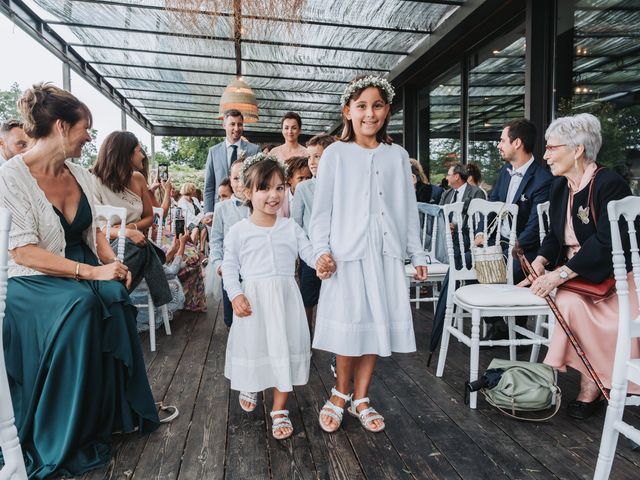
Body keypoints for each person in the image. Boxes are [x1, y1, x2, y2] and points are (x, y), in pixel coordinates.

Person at [0, 83, 160, 478]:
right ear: (60, 126)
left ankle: (117, 415)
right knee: (83, 306)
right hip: (32, 280)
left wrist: (112, 265)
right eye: (85, 128)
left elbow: (95, 234)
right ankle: (65, 433)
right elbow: (22, 252)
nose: (90, 137)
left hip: (83, 269)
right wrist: (92, 271)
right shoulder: (10, 177)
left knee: (116, 297)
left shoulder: (79, 175)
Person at [310, 75, 427, 434]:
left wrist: (417, 253)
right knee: (350, 327)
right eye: (361, 106)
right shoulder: (335, 154)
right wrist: (321, 251)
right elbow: (322, 211)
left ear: (387, 110)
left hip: (385, 253)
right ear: (348, 111)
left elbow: (407, 210)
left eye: (377, 105)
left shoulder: (397, 156)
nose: (369, 113)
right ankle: (339, 393)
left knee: (375, 327)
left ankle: (362, 396)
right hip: (347, 254)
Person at [520, 113, 639, 419]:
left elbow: (607, 242)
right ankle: (597, 381)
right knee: (567, 299)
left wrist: (559, 274)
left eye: (551, 147)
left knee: (567, 301)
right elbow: (555, 238)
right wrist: (539, 262)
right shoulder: (561, 187)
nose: (545, 154)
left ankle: (593, 384)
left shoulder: (609, 183)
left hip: (616, 278)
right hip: (578, 276)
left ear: (577, 150)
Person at [222, 154, 328, 440]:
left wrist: (320, 260)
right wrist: (235, 294)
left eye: (280, 187)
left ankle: (280, 408)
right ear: (247, 192)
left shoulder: (290, 228)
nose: (273, 195)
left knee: (284, 348)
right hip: (254, 299)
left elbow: (307, 251)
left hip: (285, 300)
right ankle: (252, 383)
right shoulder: (239, 232)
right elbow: (230, 268)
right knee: (256, 346)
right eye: (264, 188)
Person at [475, 118, 552, 341]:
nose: (499, 145)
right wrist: (481, 232)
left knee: (509, 269)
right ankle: (495, 322)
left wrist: (513, 249)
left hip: (525, 248)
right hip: (499, 243)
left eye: (502, 140)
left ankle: (510, 328)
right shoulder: (505, 172)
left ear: (517, 143)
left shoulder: (542, 179)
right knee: (468, 262)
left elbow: (535, 226)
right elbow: (492, 205)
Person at [92, 131, 173, 308]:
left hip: (135, 243)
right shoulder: (94, 181)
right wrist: (126, 232)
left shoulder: (138, 178)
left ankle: (110, 299)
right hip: (107, 248)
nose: (142, 155)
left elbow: (150, 217)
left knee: (138, 246)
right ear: (125, 153)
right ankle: (115, 300)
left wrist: (133, 227)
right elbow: (96, 228)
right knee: (139, 248)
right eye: (138, 150)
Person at [429, 163, 487, 348]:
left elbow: (478, 217)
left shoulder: (475, 192)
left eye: (449, 174)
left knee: (462, 264)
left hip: (469, 240)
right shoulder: (447, 194)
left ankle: (457, 296)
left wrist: (458, 226)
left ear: (457, 176)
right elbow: (439, 215)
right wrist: (448, 224)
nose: (446, 177)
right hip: (452, 238)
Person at [291, 133, 335, 333]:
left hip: (338, 250)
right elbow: (297, 223)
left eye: (317, 156)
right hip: (311, 253)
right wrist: (300, 254)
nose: (312, 162)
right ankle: (306, 339)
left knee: (337, 299)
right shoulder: (303, 188)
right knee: (307, 297)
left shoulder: (342, 185)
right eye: (309, 157)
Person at [210, 159, 250, 327]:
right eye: (236, 178)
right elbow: (216, 240)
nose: (240, 183)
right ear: (230, 180)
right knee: (232, 318)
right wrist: (219, 264)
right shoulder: (222, 208)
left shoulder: (259, 205)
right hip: (231, 269)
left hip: (255, 269)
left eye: (244, 177)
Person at [204, 109, 260, 213]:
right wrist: (208, 212)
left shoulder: (254, 150)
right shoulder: (213, 152)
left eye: (240, 124)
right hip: (220, 207)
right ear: (224, 125)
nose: (236, 128)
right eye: (232, 124)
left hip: (246, 207)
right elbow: (209, 186)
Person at [178, 182, 208, 254]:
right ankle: (192, 250)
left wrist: (202, 219)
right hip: (188, 222)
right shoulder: (182, 201)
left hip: (198, 220)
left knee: (203, 228)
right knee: (196, 229)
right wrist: (199, 219)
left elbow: (201, 211)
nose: (195, 190)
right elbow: (188, 215)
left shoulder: (195, 199)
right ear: (189, 190)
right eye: (193, 189)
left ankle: (201, 250)